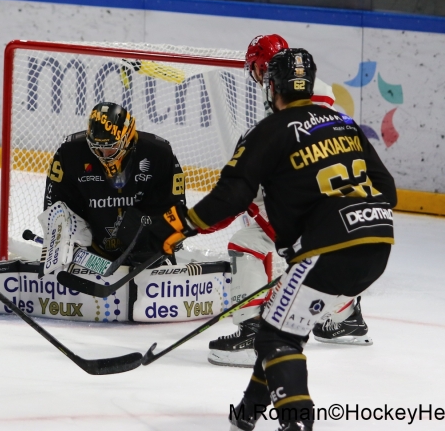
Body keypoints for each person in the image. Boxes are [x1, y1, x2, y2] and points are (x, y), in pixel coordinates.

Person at [146, 48, 396, 430]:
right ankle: (247, 415)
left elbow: (232, 196)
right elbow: (388, 190)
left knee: (277, 340)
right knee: (277, 331)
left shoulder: (268, 130)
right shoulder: (342, 122)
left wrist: (184, 223)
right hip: (378, 243)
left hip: (326, 249)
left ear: (272, 87)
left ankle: (295, 425)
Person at [207, 35, 373, 368]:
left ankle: (252, 330)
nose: (254, 76)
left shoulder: (294, 91)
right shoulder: (307, 85)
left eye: (255, 68)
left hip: (312, 192)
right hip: (337, 192)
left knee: (250, 242)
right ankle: (346, 316)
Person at [43, 101, 185, 272]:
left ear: (128, 137)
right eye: (98, 148)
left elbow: (173, 203)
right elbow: (56, 206)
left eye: (111, 148)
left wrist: (170, 234)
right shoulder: (70, 154)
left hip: (147, 255)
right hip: (91, 256)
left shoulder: (158, 154)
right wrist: (65, 240)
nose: (104, 155)